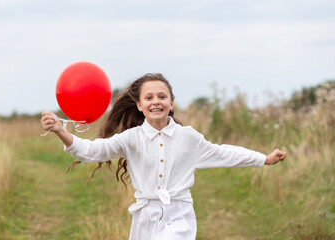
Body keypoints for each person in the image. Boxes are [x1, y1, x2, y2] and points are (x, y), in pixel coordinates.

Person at [41, 73, 286, 240]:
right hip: (144, 218)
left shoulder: (188, 137)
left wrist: (263, 158)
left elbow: (223, 153)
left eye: (161, 97)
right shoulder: (131, 138)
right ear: (139, 105)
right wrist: (61, 131)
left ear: (171, 103)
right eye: (148, 98)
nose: (155, 101)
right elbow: (92, 151)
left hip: (179, 215)